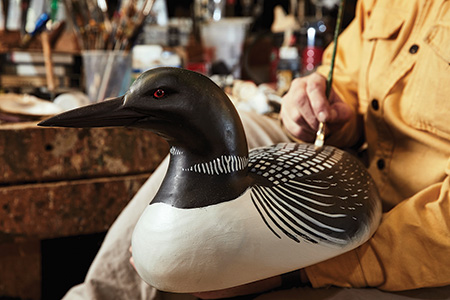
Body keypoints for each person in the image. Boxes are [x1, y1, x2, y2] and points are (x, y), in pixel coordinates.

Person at [63, 0, 450, 299]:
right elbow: (346, 75)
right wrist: (328, 106)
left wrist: (291, 272)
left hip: (421, 235)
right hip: (367, 170)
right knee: (231, 130)